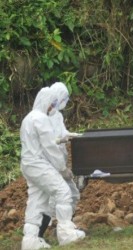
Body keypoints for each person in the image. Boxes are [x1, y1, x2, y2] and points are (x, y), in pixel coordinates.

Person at [20, 87, 85, 249]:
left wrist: (62, 138)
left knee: (36, 201)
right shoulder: (41, 119)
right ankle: (66, 234)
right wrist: (63, 169)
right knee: (63, 192)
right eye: (52, 104)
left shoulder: (28, 118)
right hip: (39, 164)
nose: (53, 107)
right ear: (45, 102)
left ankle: (30, 241)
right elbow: (50, 147)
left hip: (28, 164)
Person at [37, 82, 82, 239]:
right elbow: (46, 142)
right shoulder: (41, 117)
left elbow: (62, 132)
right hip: (50, 165)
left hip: (60, 162)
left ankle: (65, 228)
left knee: (72, 194)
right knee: (53, 201)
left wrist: (70, 135)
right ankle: (41, 235)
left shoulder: (58, 115)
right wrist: (59, 140)